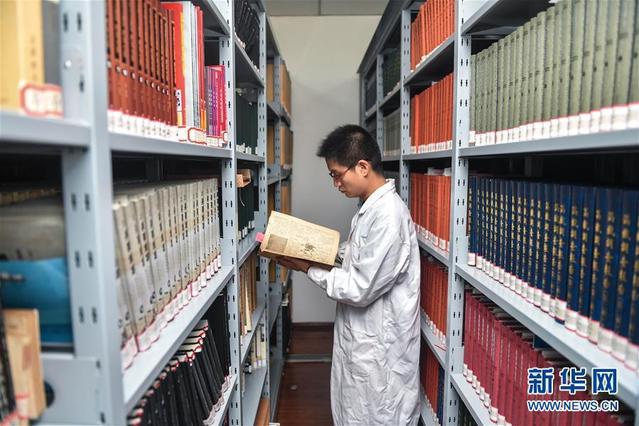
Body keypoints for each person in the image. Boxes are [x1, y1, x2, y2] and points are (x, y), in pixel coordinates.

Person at [275, 124, 421, 426]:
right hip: (363, 344)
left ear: (363, 167)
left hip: (379, 356)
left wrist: (308, 267)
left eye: (337, 174)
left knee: (376, 415)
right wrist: (315, 249)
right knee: (354, 411)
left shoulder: (388, 216)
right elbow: (359, 255)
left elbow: (359, 288)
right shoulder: (371, 208)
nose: (335, 183)